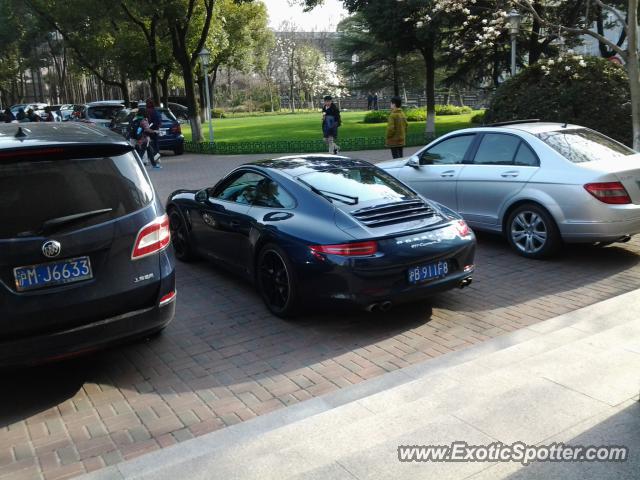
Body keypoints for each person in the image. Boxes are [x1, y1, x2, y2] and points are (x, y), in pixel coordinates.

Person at [145, 98, 162, 164]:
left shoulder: (148, 111)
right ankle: (157, 158)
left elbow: (147, 121)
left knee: (148, 145)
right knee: (155, 145)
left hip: (149, 130)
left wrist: (149, 128)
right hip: (156, 130)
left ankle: (148, 160)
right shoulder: (156, 111)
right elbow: (159, 121)